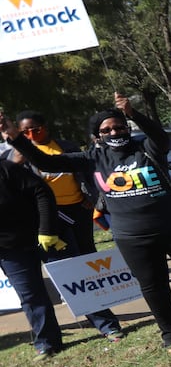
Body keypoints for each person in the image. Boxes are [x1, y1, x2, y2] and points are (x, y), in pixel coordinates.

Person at [0, 94, 171, 347]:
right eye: (107, 130)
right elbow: (44, 161)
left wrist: (134, 113)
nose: (114, 132)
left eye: (119, 127)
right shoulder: (92, 158)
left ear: (127, 128)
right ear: (98, 136)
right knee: (153, 286)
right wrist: (14, 137)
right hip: (133, 238)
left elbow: (159, 136)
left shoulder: (147, 148)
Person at [14, 111, 124, 341]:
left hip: (79, 211)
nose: (32, 134)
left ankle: (101, 314)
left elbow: (87, 172)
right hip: (50, 219)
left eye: (36, 129)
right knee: (73, 270)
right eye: (26, 132)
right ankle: (106, 324)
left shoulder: (65, 145)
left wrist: (89, 199)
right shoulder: (19, 156)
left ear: (46, 126)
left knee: (88, 261)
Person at [0, 154, 66, 357]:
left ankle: (106, 325)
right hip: (9, 251)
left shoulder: (7, 169)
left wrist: (47, 229)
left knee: (74, 280)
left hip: (41, 236)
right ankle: (47, 341)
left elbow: (41, 191)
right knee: (30, 294)